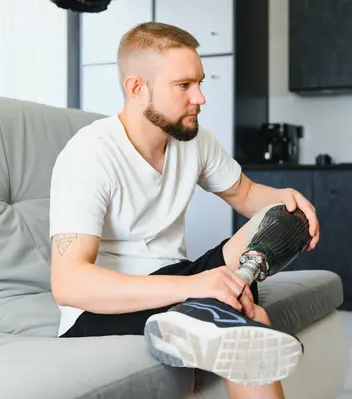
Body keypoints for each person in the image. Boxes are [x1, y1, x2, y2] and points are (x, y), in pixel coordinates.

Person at [49, 21, 320, 399]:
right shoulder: (89, 154)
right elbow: (69, 284)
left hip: (173, 277)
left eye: (200, 83)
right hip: (103, 310)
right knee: (242, 325)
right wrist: (195, 286)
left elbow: (245, 194)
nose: (200, 98)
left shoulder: (193, 140)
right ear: (137, 88)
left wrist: (287, 197)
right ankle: (218, 313)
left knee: (286, 212)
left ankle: (218, 301)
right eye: (183, 86)